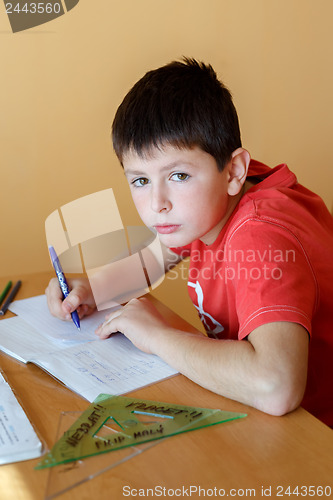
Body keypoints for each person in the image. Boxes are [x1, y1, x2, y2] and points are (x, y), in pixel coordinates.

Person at [46, 58, 333, 426]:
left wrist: (158, 337)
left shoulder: (260, 233)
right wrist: (91, 289)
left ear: (233, 171)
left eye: (178, 175)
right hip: (261, 419)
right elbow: (152, 259)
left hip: (312, 437)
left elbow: (275, 387)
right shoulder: (215, 198)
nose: (157, 203)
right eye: (140, 181)